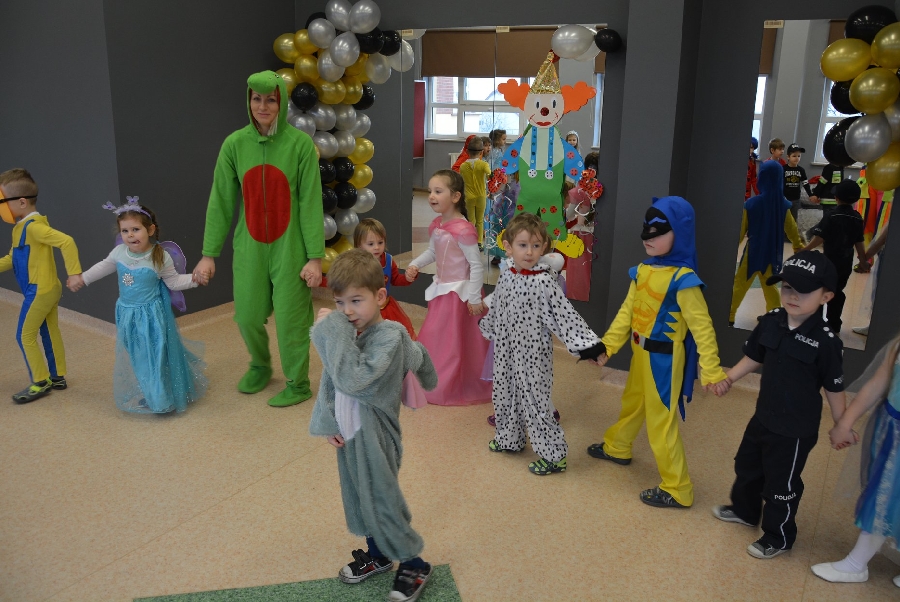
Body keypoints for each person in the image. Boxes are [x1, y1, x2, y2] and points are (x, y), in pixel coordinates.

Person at [309, 249, 438, 602]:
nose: (347, 311)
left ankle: (414, 563)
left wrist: (332, 332)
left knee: (380, 499)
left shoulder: (389, 337)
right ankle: (379, 555)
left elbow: (355, 380)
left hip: (376, 436)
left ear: (380, 296)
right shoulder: (349, 334)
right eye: (339, 303)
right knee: (359, 495)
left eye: (356, 300)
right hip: (349, 432)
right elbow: (331, 380)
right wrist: (328, 421)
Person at [193, 70, 324, 408]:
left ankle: (297, 384)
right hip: (249, 245)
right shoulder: (235, 145)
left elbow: (311, 203)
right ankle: (261, 364)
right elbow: (221, 201)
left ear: (281, 102)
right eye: (256, 99)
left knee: (292, 320)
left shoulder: (300, 145)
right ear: (248, 101)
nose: (262, 106)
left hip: (291, 247)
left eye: (270, 100)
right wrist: (209, 253)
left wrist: (315, 257)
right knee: (248, 315)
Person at [587, 196, 728, 509]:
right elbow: (627, 313)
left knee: (660, 422)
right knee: (633, 402)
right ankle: (617, 446)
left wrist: (712, 369)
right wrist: (607, 346)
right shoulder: (642, 271)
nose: (648, 237)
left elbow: (702, 328)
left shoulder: (684, 281)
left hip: (664, 359)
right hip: (640, 353)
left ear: (680, 232)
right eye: (646, 229)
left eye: (659, 231)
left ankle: (678, 488)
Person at [712, 251, 847, 559]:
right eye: (787, 287)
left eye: (804, 290)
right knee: (747, 466)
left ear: (826, 296)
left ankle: (778, 536)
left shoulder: (826, 341)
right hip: (763, 416)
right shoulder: (771, 321)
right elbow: (754, 356)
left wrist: (842, 424)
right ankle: (745, 511)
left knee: (781, 484)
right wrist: (729, 378)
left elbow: (834, 387)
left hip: (794, 431)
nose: (793, 296)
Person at [479, 213, 603, 475]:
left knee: (536, 402)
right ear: (508, 247)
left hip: (533, 355)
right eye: (523, 245)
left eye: (536, 246)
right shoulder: (507, 274)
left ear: (544, 247)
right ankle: (509, 438)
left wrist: (589, 346)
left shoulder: (544, 281)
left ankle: (554, 455)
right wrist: (488, 325)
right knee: (504, 393)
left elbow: (565, 315)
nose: (529, 252)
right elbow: (498, 304)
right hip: (506, 350)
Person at [71, 200, 208, 413]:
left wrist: (195, 279)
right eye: (125, 231)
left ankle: (161, 400)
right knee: (139, 357)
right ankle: (152, 392)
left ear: (150, 230)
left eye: (136, 229)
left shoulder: (159, 256)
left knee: (155, 357)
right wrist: (83, 278)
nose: (130, 235)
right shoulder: (119, 253)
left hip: (151, 317)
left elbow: (174, 282)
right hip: (127, 315)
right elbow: (102, 267)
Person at [810, 334, 900, 586]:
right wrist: (845, 423)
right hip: (891, 431)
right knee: (883, 495)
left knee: (887, 498)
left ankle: (856, 564)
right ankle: (856, 563)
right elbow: (877, 384)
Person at [404, 170, 492, 406]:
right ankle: (432, 378)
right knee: (437, 336)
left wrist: (474, 298)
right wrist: (415, 264)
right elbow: (433, 252)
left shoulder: (464, 230)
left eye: (438, 191)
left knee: (457, 343)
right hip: (443, 292)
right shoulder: (438, 225)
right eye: (430, 191)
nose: (431, 196)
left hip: (461, 297)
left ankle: (453, 382)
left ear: (455, 196)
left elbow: (475, 265)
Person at [0, 168, 83, 404]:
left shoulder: (33, 227)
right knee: (49, 330)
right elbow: (12, 258)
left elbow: (67, 241)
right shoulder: (22, 227)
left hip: (39, 290)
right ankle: (57, 376)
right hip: (45, 289)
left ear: (22, 202)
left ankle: (40, 381)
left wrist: (74, 273)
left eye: (2, 202)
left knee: (24, 336)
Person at [729, 161, 804, 326]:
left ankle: (730, 315)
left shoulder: (752, 204)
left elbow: (741, 230)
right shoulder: (783, 204)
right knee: (771, 287)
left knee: (740, 285)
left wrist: (730, 248)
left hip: (753, 253)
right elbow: (791, 228)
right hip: (772, 253)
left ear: (762, 178)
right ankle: (774, 316)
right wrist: (797, 245)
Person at [803, 179, 867, 333]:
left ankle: (815, 321)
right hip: (846, 263)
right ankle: (834, 324)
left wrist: (806, 249)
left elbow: (820, 237)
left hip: (828, 262)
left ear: (836, 198)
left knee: (820, 289)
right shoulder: (858, 218)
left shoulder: (831, 215)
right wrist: (863, 260)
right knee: (837, 291)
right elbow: (859, 242)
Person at [353, 218, 417, 339]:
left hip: (385, 308)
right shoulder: (356, 264)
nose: (377, 247)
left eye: (380, 242)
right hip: (364, 309)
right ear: (360, 246)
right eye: (371, 244)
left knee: (390, 337)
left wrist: (408, 278)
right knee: (366, 338)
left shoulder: (388, 260)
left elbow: (396, 279)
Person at [458, 137, 491, 249]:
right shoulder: (484, 165)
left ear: (467, 151)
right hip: (481, 196)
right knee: (480, 220)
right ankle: (479, 242)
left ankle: (470, 241)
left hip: (468, 196)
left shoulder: (463, 166)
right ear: (481, 152)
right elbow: (490, 175)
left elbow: (461, 180)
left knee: (471, 221)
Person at [782, 143, 818, 226]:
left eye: (799, 156)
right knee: (783, 219)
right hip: (785, 199)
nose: (797, 158)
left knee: (793, 219)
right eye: (794, 156)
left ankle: (791, 234)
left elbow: (805, 183)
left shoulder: (801, 170)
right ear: (788, 157)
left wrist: (810, 195)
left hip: (796, 199)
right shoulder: (783, 169)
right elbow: (780, 184)